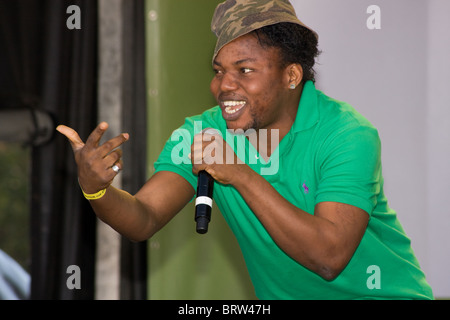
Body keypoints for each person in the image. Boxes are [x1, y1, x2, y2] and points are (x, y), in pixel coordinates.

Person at [57, 0, 433, 299]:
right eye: (219, 70)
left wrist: (239, 174)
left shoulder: (347, 134)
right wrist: (97, 189)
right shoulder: (203, 131)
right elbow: (143, 220)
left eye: (245, 70)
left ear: (291, 75)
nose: (224, 85)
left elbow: (329, 257)